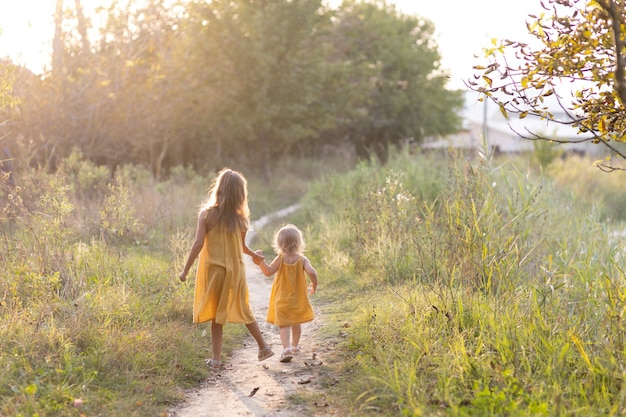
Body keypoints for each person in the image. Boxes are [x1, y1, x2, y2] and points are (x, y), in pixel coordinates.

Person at [179, 168, 274, 369]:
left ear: (219, 188)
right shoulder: (240, 219)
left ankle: (216, 358)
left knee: (216, 314)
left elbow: (198, 244)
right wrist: (254, 255)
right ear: (240, 194)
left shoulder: (206, 215)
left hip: (214, 270)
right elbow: (241, 247)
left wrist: (185, 270)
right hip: (236, 271)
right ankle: (264, 347)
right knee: (244, 307)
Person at [255, 224, 318, 363]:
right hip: (297, 299)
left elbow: (268, 272)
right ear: (299, 242)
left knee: (284, 325)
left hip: (281, 299)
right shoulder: (302, 259)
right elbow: (312, 272)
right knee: (296, 323)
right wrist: (314, 284)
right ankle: (295, 347)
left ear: (279, 243)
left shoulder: (281, 258)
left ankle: (287, 349)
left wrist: (260, 260)